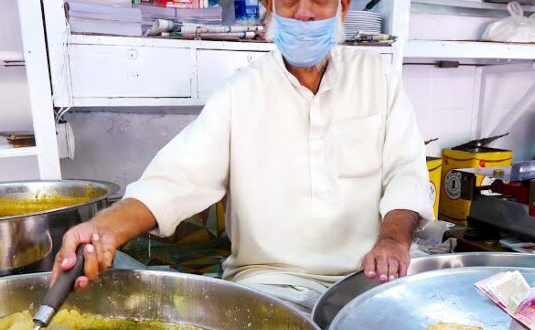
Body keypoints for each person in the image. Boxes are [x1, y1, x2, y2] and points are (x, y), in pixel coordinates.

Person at [50, 0, 433, 312]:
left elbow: (406, 173)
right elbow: (175, 181)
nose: (304, 13)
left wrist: (393, 240)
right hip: (271, 285)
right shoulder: (239, 95)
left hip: (371, 279)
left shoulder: (379, 81)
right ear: (270, 8)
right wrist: (105, 229)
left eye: (319, 0)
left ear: (343, 8)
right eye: (289, 1)